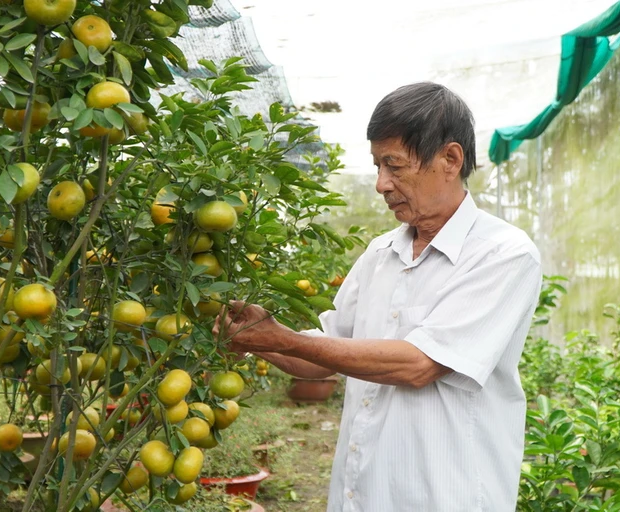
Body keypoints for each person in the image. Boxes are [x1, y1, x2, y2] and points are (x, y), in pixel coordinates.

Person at [213, 82, 542, 512]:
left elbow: (420, 364)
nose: (381, 184)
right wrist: (256, 336)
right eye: (377, 166)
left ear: (450, 159)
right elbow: (321, 356)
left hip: (444, 498)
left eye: (394, 166)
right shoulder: (380, 254)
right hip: (363, 495)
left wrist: (282, 339)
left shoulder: (503, 254)